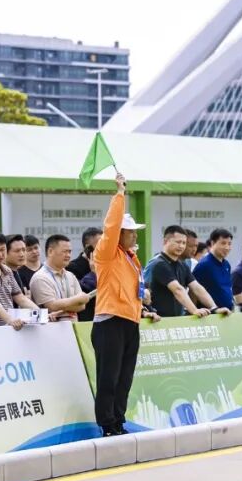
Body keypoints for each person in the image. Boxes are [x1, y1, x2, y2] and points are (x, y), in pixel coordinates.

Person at [92, 173, 160, 437]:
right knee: (109, 377)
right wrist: (120, 194)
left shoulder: (131, 258)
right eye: (130, 232)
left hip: (130, 322)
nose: (134, 236)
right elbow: (110, 226)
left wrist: (142, 309)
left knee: (124, 377)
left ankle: (118, 420)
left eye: (134, 232)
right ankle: (107, 424)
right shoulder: (106, 253)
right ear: (118, 234)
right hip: (110, 321)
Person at [149, 224, 230, 319]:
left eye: (184, 243)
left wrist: (214, 308)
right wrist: (194, 310)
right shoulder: (159, 264)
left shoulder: (182, 265)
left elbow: (197, 287)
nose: (181, 246)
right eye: (178, 242)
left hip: (178, 320)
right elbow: (177, 289)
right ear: (165, 241)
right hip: (160, 320)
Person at [29, 234, 90, 322]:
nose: (68, 255)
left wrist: (61, 307)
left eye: (69, 252)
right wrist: (77, 299)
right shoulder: (40, 277)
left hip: (72, 327)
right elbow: (51, 306)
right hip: (51, 328)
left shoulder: (70, 276)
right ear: (50, 251)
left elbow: (81, 306)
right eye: (64, 251)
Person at [192, 228, 236, 313]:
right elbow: (193, 291)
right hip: (210, 315)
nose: (227, 247)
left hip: (227, 313)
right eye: (223, 243)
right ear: (212, 243)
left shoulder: (227, 264)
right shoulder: (204, 265)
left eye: (229, 244)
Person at [69, 227, 102, 322]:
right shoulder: (72, 267)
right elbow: (79, 294)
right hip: (85, 319)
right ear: (88, 248)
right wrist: (93, 273)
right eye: (100, 244)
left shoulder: (106, 265)